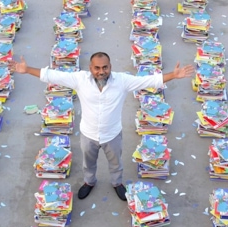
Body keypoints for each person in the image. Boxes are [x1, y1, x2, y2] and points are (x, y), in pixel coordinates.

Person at [10, 52, 194, 201]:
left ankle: (117, 183)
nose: (101, 71)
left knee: (116, 163)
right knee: (88, 163)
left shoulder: (122, 81)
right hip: (88, 134)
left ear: (110, 67)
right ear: (90, 68)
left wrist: (173, 75)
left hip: (112, 134)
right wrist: (26, 70)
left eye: (105, 67)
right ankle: (89, 182)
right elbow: (51, 75)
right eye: (97, 68)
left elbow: (149, 81)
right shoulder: (79, 79)